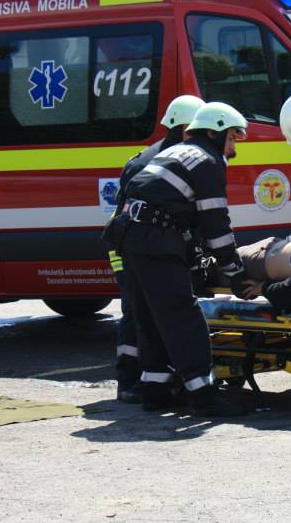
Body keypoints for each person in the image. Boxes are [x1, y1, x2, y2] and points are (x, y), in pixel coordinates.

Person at [117, 102, 251, 417]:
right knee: (183, 315)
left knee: (150, 316)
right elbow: (216, 226)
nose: (234, 148)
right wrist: (235, 272)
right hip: (156, 240)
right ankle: (204, 395)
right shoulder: (207, 161)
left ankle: (155, 390)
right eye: (232, 138)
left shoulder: (175, 152)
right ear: (214, 133)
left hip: (130, 238)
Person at [104, 94, 204, 403]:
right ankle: (128, 380)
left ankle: (150, 379)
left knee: (143, 312)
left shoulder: (152, 157)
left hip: (130, 243)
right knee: (137, 313)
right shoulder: (166, 160)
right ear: (186, 128)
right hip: (134, 248)